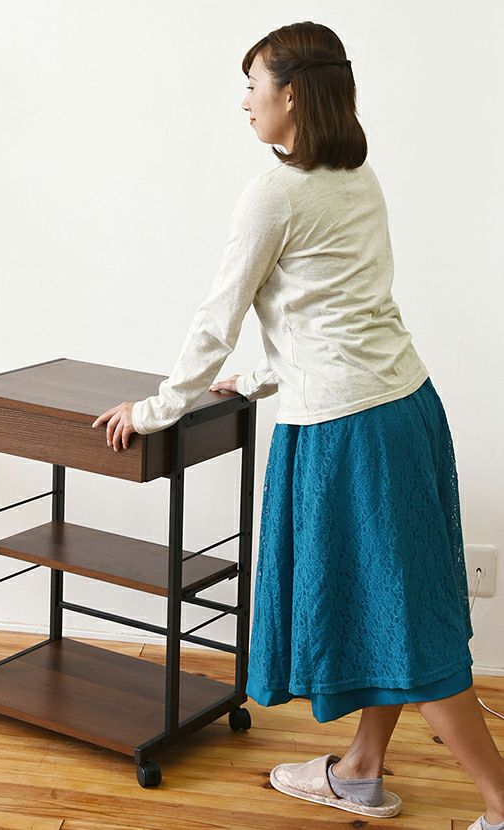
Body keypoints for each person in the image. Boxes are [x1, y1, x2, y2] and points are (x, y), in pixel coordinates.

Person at [90, 20, 504, 830]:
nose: (245, 103)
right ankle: (360, 770)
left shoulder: (273, 194)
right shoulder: (357, 177)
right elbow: (341, 309)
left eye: (253, 87)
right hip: (406, 408)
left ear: (292, 94)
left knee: (411, 630)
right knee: (391, 610)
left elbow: (217, 319)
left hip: (350, 434)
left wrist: (153, 410)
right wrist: (262, 378)